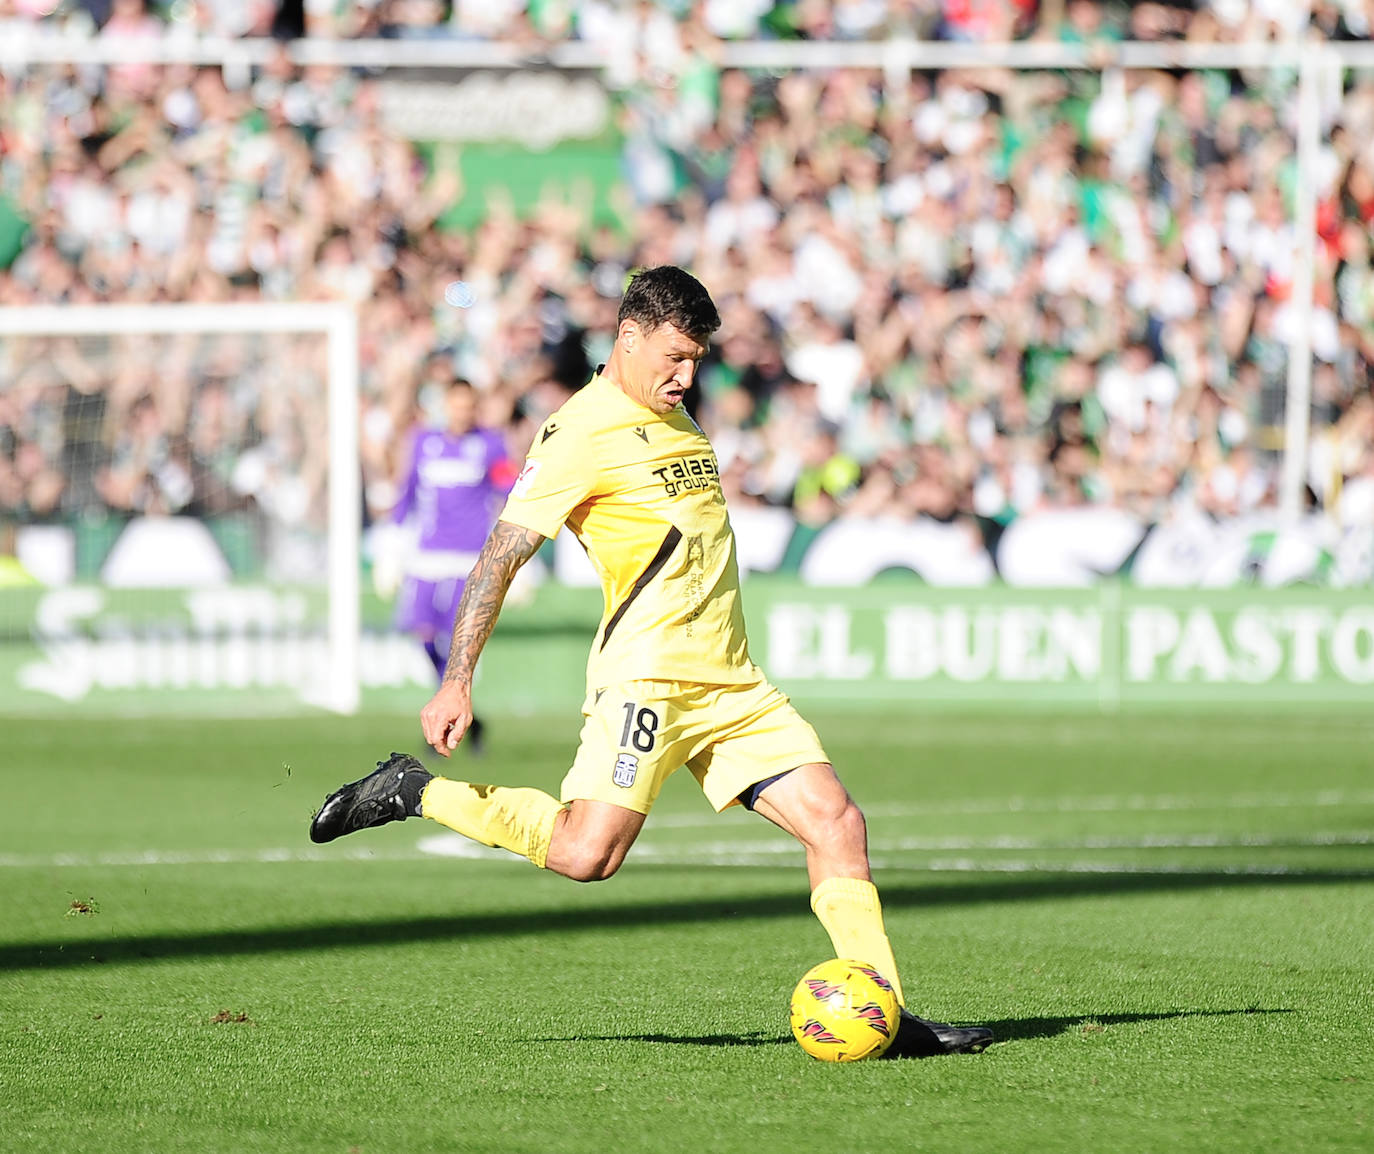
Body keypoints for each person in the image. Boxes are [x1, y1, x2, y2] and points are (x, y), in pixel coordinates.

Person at [311, 266, 993, 1058]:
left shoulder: (677, 417)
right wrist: (458, 677)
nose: (687, 375)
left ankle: (884, 1011)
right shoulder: (578, 431)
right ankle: (412, 790)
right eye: (675, 356)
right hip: (648, 680)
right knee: (583, 855)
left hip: (733, 683)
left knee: (837, 822)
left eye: (698, 360)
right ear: (628, 338)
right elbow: (499, 556)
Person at [389, 375, 513, 752]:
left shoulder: (490, 446)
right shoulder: (425, 443)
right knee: (422, 634)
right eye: (455, 405)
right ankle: (453, 704)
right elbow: (407, 492)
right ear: (444, 407)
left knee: (458, 638)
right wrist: (390, 542)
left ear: (475, 408)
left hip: (468, 558)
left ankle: (448, 713)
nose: (461, 412)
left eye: (467, 405)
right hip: (428, 555)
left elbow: (510, 491)